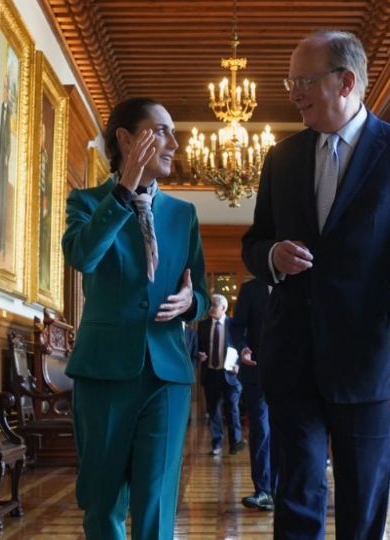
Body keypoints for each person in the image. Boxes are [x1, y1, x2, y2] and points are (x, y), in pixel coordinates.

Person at [241, 30, 390, 539]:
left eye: (304, 80)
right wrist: (272, 257)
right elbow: (253, 244)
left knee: (361, 506)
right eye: (291, 81)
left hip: (368, 363)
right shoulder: (280, 159)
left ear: (346, 81)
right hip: (291, 357)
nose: (293, 92)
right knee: (297, 498)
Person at [62, 97, 210, 540]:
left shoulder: (184, 214)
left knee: (157, 503)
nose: (173, 143)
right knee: (103, 501)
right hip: (104, 371)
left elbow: (199, 289)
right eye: (161, 130)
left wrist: (192, 303)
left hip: (167, 374)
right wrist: (122, 193)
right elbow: (83, 256)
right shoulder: (86, 203)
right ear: (126, 139)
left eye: (172, 132)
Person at [231, 277, 277, 511]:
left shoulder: (301, 281)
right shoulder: (250, 289)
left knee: (290, 430)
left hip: (296, 372)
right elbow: (237, 325)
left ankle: (284, 488)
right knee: (261, 428)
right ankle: (264, 490)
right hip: (256, 370)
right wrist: (243, 348)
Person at [196, 294, 245, 456]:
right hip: (211, 374)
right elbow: (198, 346)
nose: (211, 309)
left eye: (214, 306)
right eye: (210, 305)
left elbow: (243, 347)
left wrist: (238, 364)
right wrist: (199, 354)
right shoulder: (202, 325)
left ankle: (235, 443)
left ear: (223, 308)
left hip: (230, 374)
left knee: (233, 409)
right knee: (214, 411)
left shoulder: (233, 325)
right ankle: (216, 444)